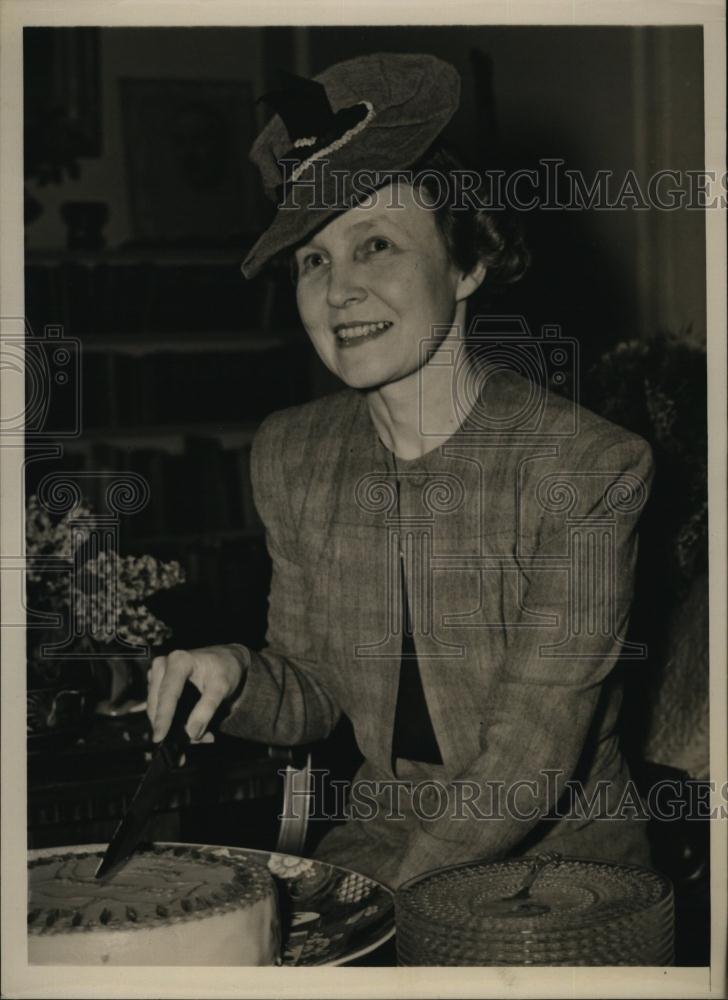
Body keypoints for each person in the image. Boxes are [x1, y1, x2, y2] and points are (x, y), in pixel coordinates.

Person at [147, 53, 654, 889]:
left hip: (565, 879)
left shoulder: (588, 468)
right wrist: (234, 674)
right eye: (312, 260)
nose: (338, 290)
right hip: (380, 848)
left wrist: (362, 910)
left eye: (373, 244)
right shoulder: (294, 453)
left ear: (466, 265)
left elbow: (527, 764)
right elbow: (310, 691)